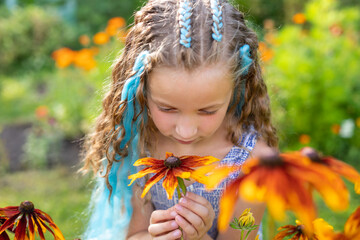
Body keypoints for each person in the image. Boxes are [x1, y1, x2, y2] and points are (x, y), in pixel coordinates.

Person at [81, 0, 278, 239]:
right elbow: (135, 234)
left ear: (238, 86)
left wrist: (199, 236)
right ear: (142, 89)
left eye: (207, 111)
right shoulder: (140, 147)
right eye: (167, 108)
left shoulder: (255, 164)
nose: (186, 131)